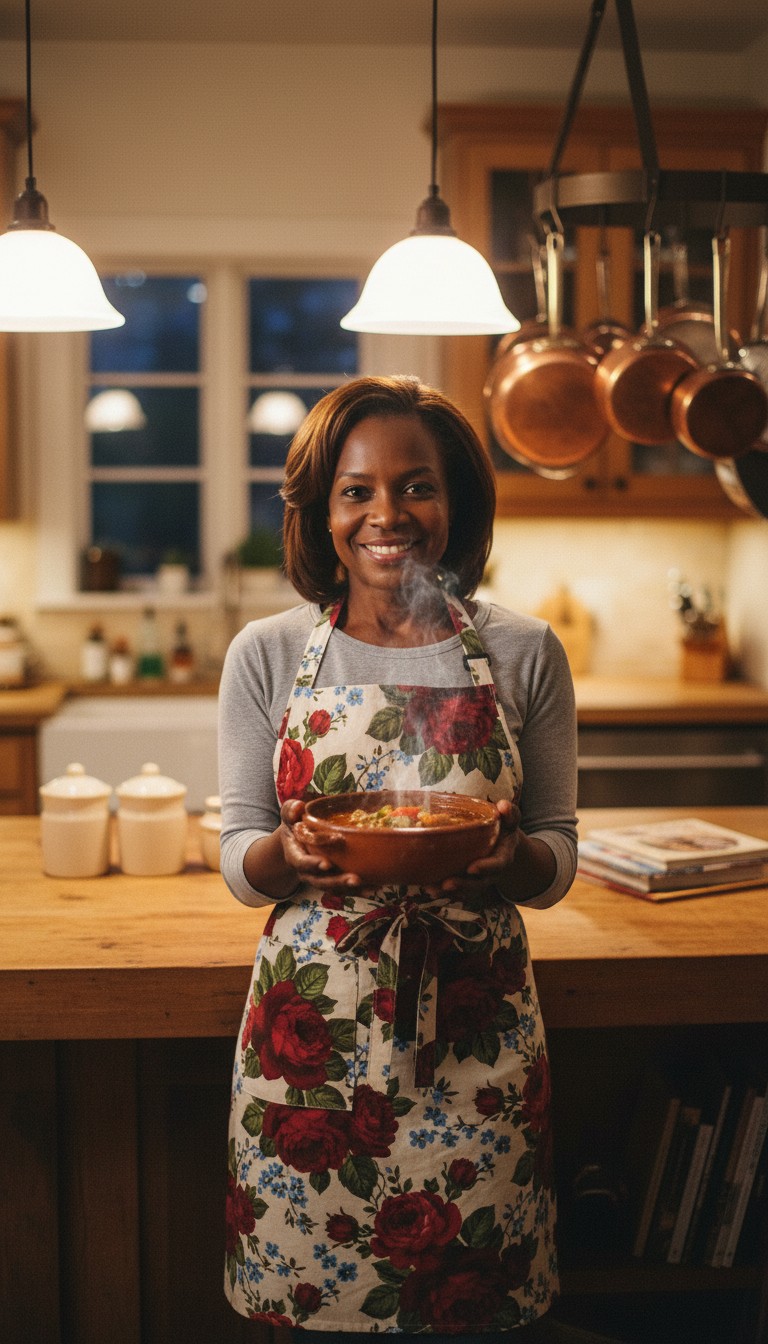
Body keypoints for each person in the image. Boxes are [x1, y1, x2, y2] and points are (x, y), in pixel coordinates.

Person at [218, 374, 578, 1338]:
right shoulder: (268, 651)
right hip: (312, 1042)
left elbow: (559, 852)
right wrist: (287, 858)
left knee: (474, 1311)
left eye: (416, 486)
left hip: (478, 1026)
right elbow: (236, 848)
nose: (388, 514)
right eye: (356, 491)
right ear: (321, 513)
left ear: (455, 502)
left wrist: (510, 864)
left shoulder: (523, 649)